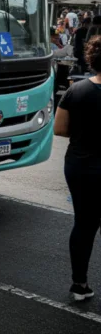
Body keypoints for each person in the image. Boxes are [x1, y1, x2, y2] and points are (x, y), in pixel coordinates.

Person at [54, 35, 101, 302]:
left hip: (80, 166)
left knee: (84, 224)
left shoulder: (76, 90)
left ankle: (79, 284)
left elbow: (60, 129)